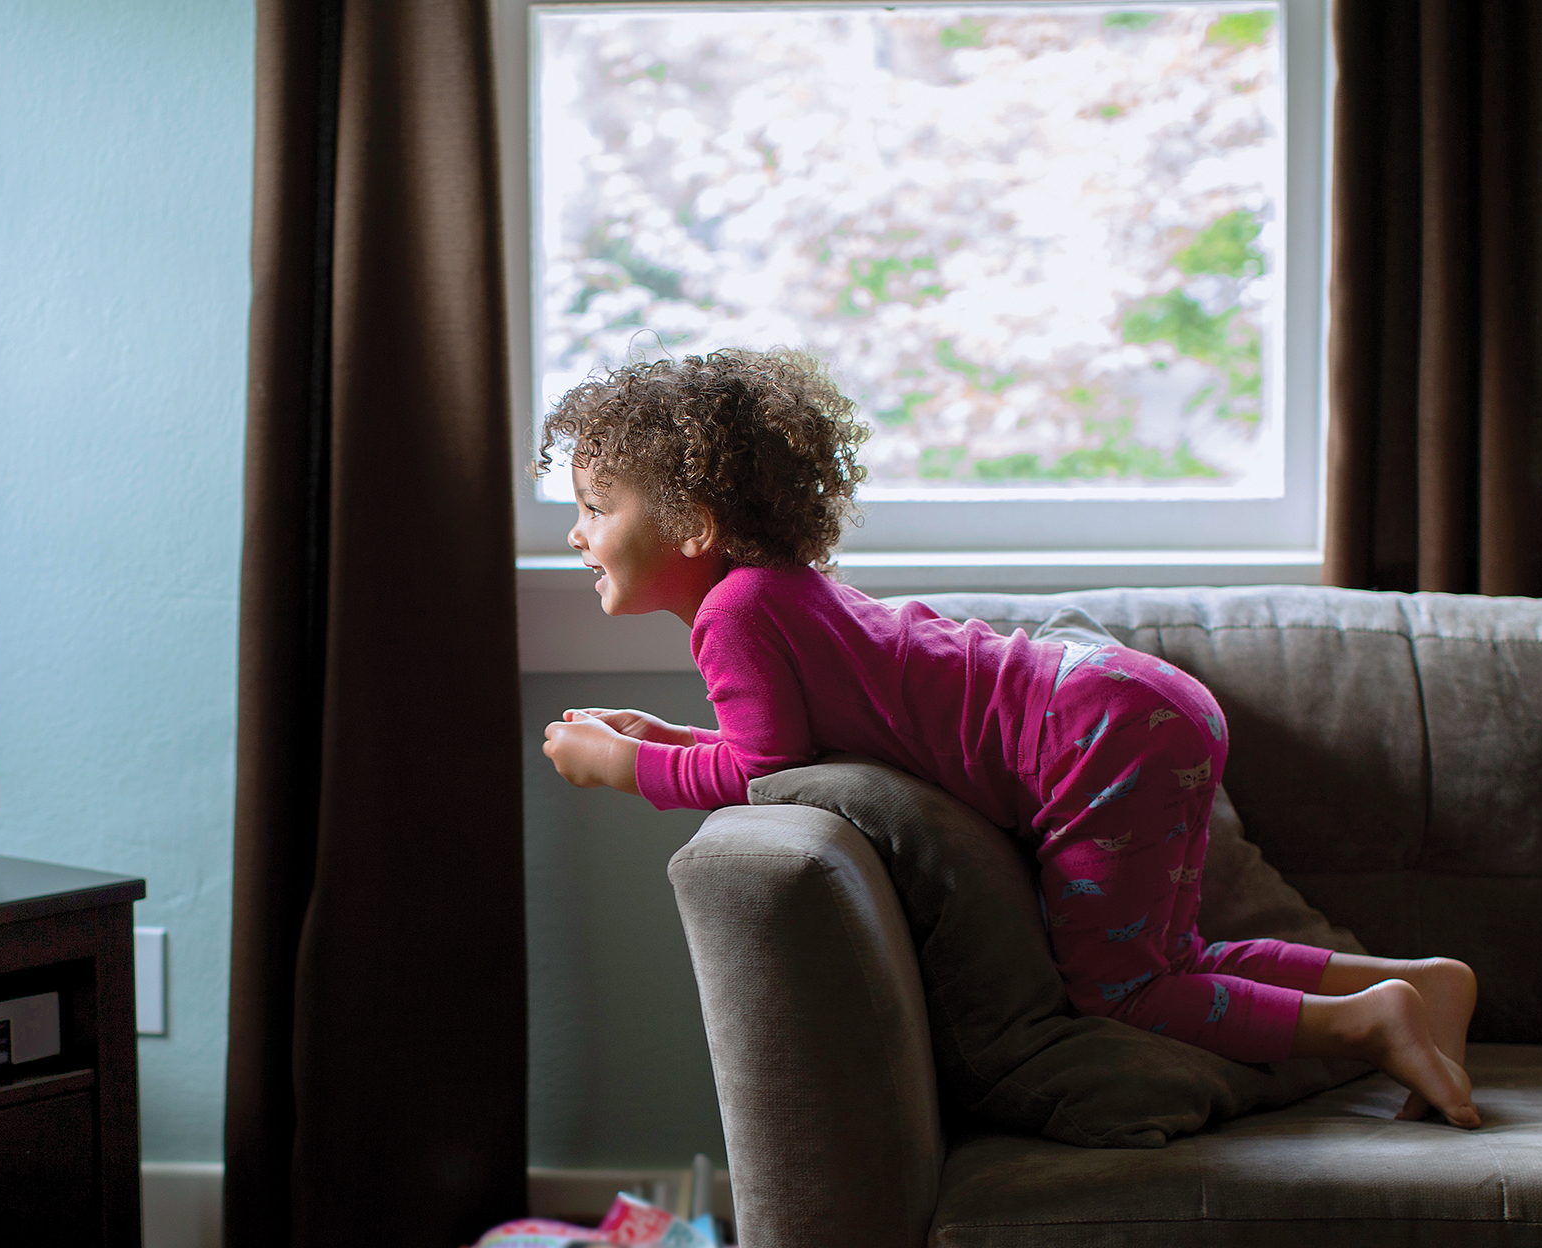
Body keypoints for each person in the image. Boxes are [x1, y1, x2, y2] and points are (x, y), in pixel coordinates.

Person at [536, 349, 1480, 1127]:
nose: (577, 534)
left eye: (594, 507)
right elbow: (779, 737)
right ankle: (1413, 983)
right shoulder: (775, 589)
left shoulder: (732, 615)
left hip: (1094, 739)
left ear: (694, 523)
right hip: (1130, 710)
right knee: (1169, 955)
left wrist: (627, 769)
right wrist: (663, 732)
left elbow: (764, 767)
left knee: (1116, 992)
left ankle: (1365, 1025)